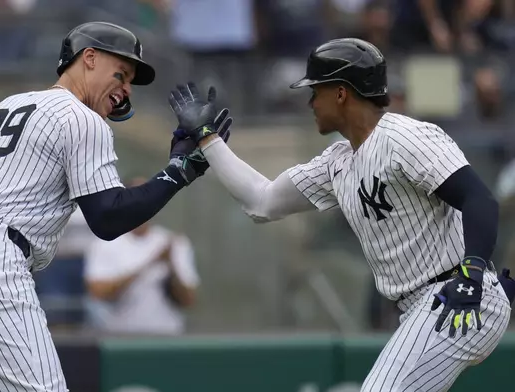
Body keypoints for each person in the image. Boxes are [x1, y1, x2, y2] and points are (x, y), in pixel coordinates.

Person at [169, 38, 512, 391]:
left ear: (341, 93)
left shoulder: (406, 137)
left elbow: (479, 199)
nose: (310, 102)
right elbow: (262, 201)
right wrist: (209, 141)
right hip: (424, 305)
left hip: (458, 296)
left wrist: (471, 275)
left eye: (315, 90)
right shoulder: (338, 162)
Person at [0, 21, 231, 392]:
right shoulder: (81, 117)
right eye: (121, 74)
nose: (126, 90)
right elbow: (109, 217)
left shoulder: (4, 107)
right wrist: (180, 171)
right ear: (88, 58)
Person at [85, 176, 198, 335]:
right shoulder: (105, 243)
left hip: (168, 336)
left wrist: (171, 265)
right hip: (121, 338)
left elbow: (189, 300)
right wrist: (149, 263)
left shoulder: (173, 243)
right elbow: (98, 293)